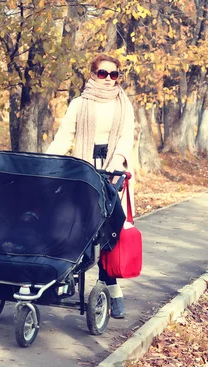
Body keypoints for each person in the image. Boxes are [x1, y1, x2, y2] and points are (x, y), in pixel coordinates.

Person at [46, 53, 136, 319]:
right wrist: (46, 163)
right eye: (103, 74)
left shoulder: (124, 104)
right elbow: (64, 137)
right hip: (84, 170)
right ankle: (67, 274)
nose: (109, 79)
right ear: (93, 74)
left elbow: (126, 135)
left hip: (113, 171)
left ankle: (110, 284)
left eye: (114, 74)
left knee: (109, 228)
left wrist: (118, 160)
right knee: (77, 225)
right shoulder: (79, 104)